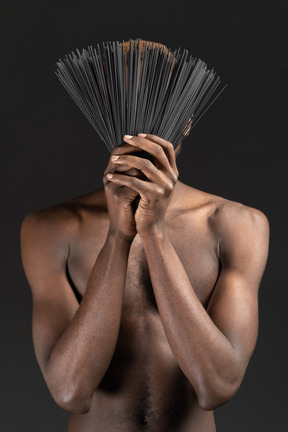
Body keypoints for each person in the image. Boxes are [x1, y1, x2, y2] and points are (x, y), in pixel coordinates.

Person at [20, 41, 270, 432]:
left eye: (159, 109)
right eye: (127, 109)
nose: (141, 133)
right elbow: (70, 390)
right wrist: (119, 237)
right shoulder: (51, 228)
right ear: (104, 112)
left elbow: (217, 386)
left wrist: (154, 234)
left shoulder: (236, 224)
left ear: (186, 119)